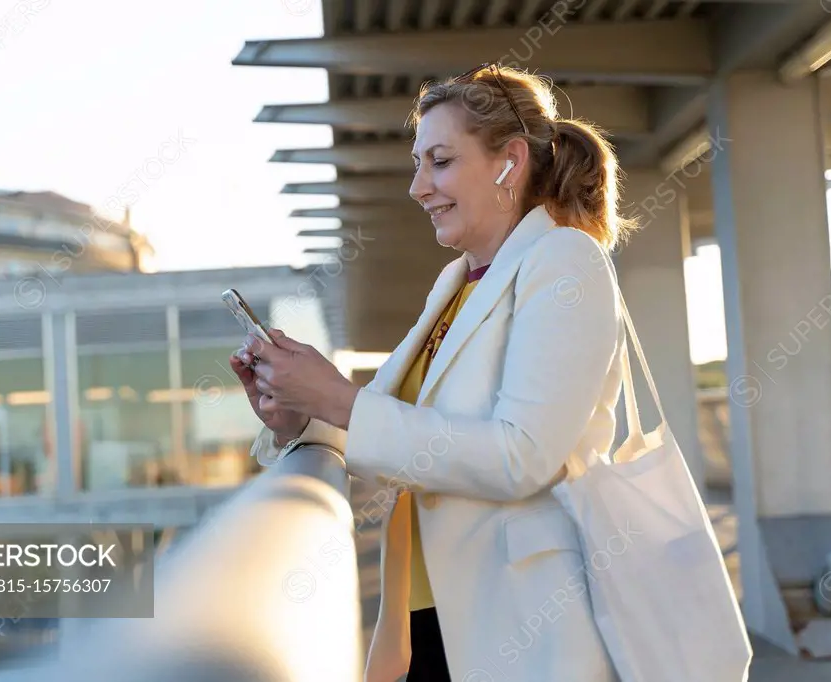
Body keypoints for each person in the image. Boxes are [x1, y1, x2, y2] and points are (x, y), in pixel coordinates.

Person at [230, 62, 638, 682]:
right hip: (434, 616)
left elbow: (519, 456)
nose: (419, 187)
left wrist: (340, 399)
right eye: (418, 164)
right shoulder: (457, 282)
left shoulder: (564, 260)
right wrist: (296, 416)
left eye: (440, 161)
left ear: (511, 161)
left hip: (516, 628)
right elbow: (399, 431)